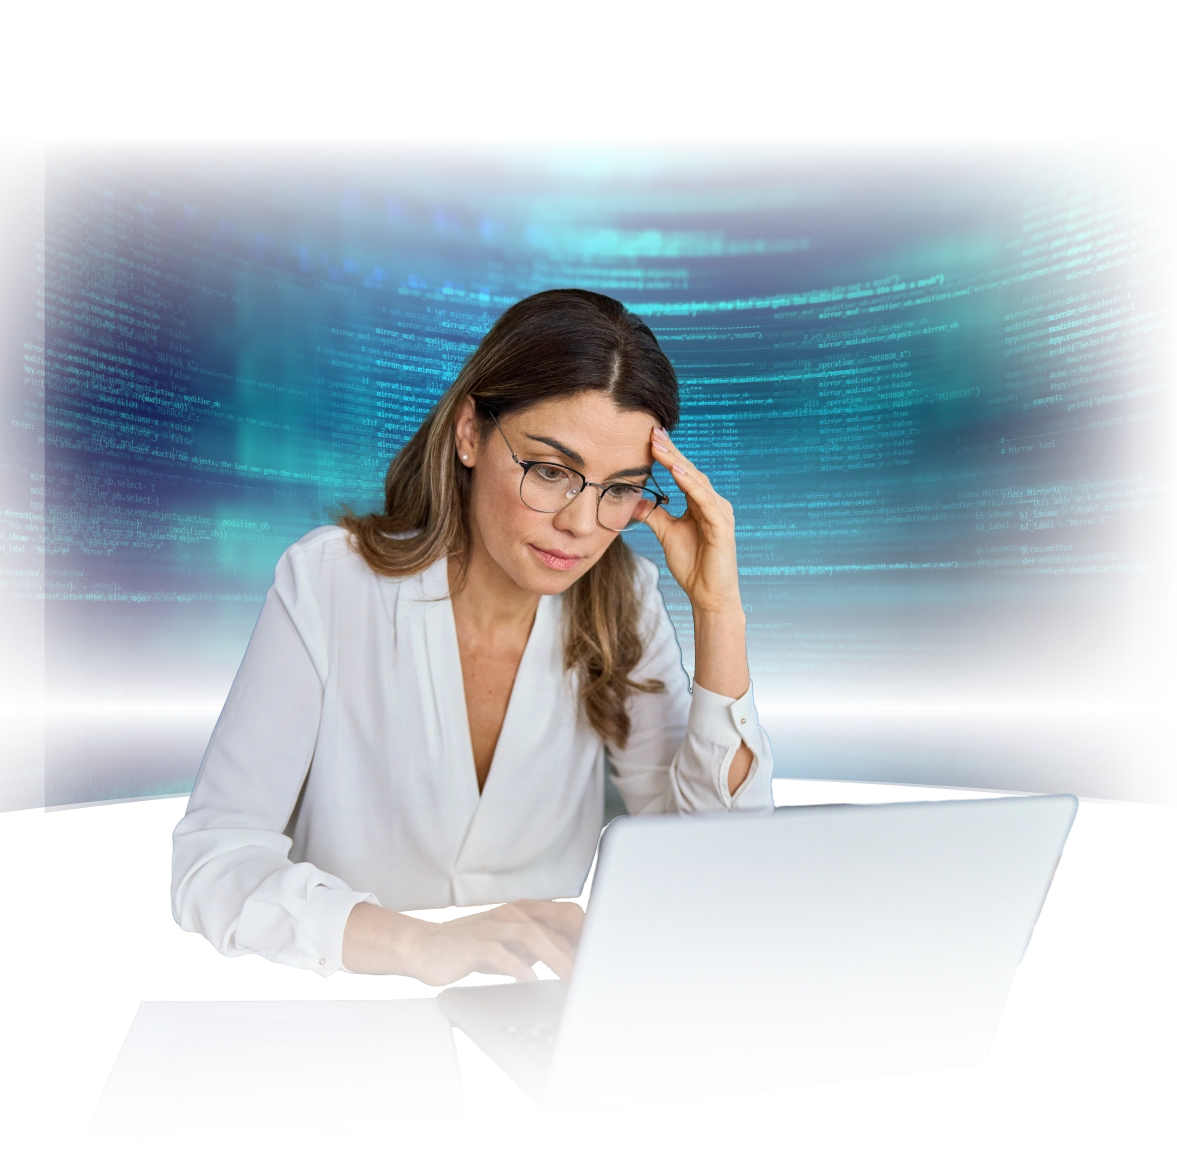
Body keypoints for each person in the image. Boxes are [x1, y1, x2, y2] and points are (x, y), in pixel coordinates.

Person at [170, 288, 775, 989]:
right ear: (468, 433)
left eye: (618, 489)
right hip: (347, 1000)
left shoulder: (626, 600)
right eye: (551, 471)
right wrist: (418, 945)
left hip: (534, 1008)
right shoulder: (328, 581)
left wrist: (719, 610)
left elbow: (711, 868)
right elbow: (211, 864)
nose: (581, 525)